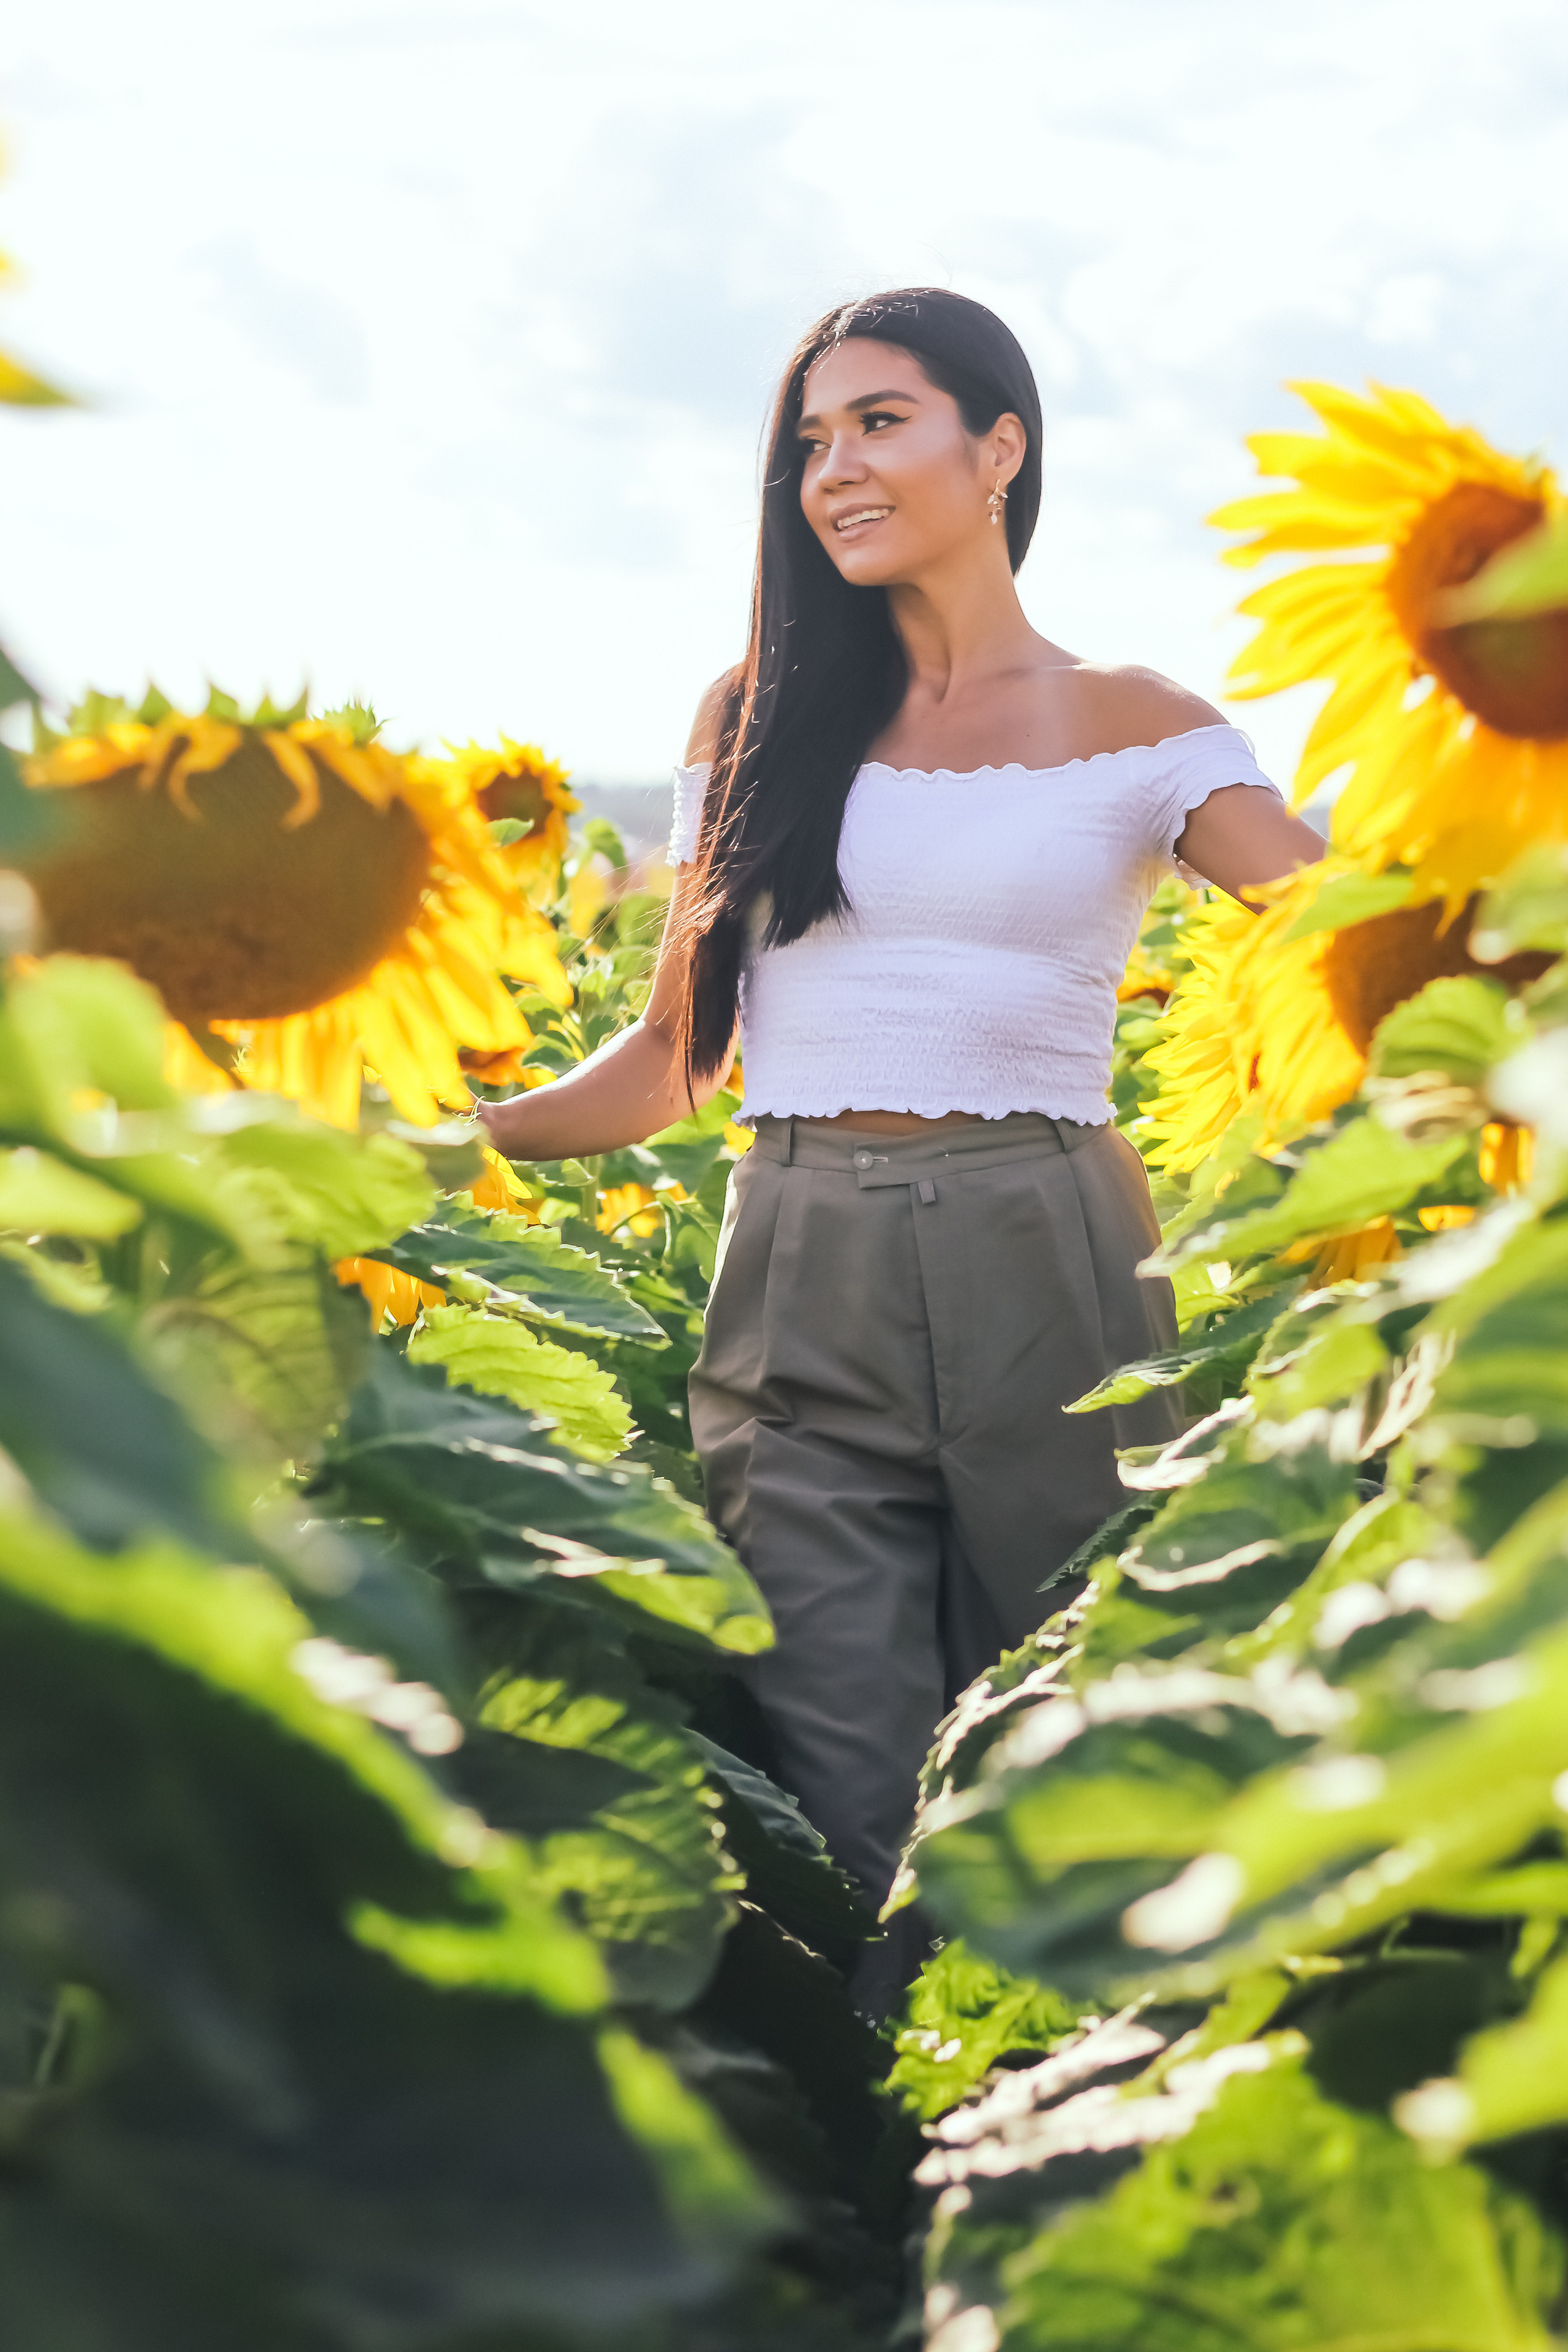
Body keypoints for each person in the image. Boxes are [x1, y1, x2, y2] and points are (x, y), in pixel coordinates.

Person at [478, 287, 1324, 2010]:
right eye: (810, 442)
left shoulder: (1138, 720)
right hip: (796, 1264)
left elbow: (1352, 929)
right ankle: (892, 2168)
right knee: (844, 1764)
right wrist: (422, 1146)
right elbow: (666, 1064)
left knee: (1078, 1723)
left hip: (1052, 1259)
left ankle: (1085, 2122)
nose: (834, 471)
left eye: (879, 422)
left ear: (998, 446)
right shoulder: (755, 717)